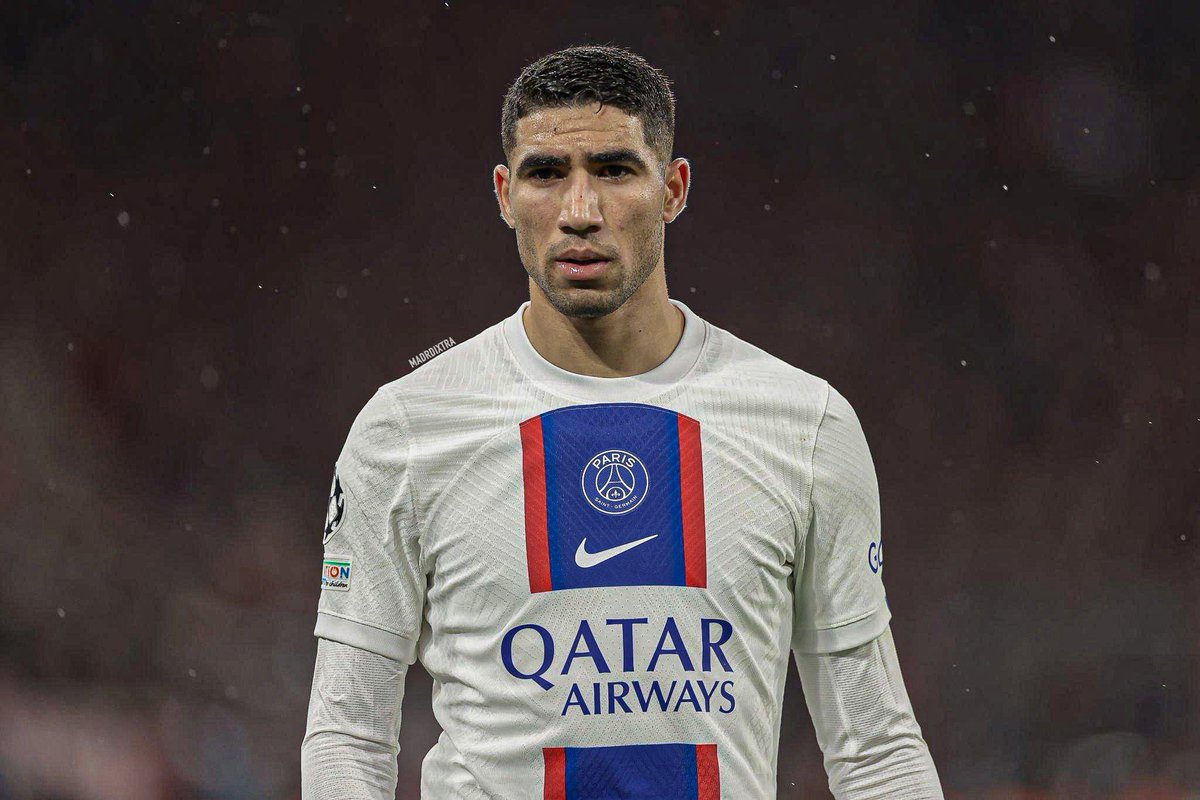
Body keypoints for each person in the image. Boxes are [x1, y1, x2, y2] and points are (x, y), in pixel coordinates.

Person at [301, 44, 943, 799]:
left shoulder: (805, 425)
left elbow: (876, 750)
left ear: (673, 189)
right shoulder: (407, 430)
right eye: (547, 174)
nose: (579, 212)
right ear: (505, 194)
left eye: (613, 170)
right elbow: (348, 737)